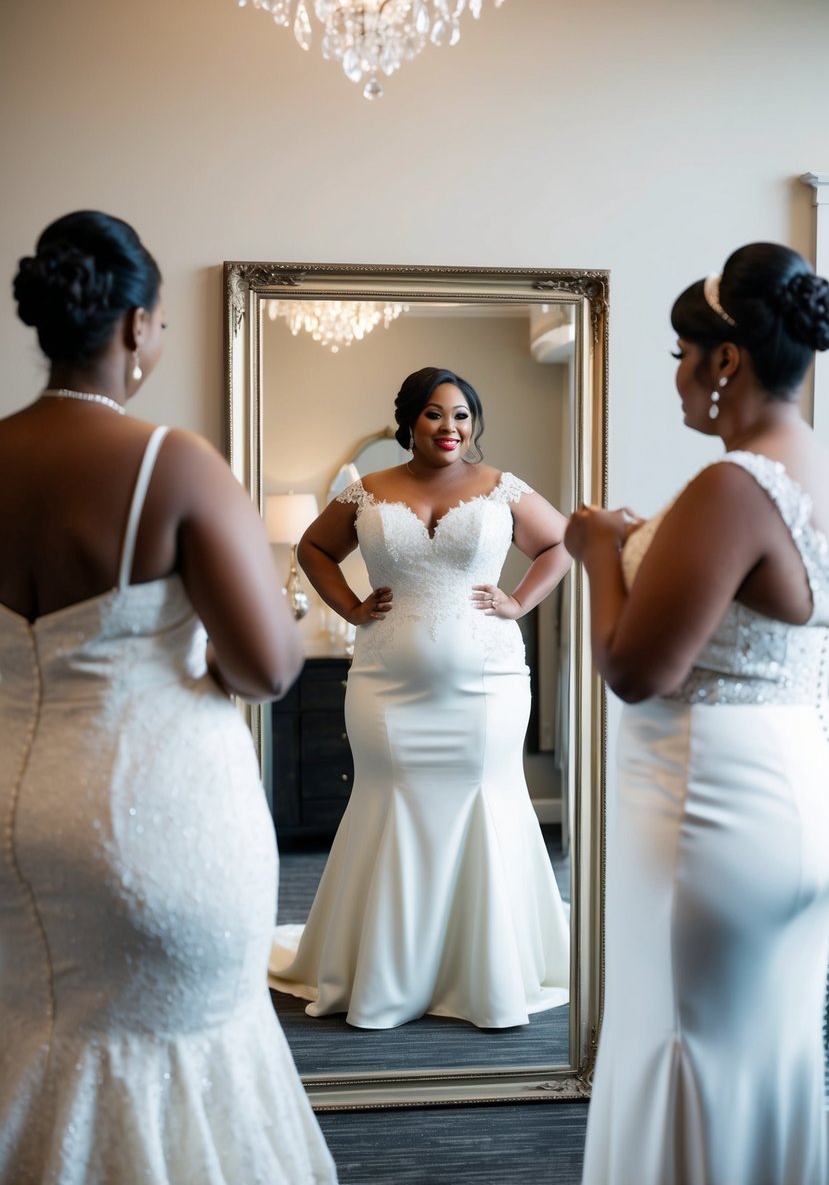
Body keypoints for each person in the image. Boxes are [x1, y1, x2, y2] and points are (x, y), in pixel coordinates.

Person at [0, 211, 337, 1184]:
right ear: (138, 325)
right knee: (176, 1068)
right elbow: (271, 668)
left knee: (30, 1043)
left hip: (15, 829)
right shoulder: (171, 462)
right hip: (150, 825)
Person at [565, 243, 829, 1185]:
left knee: (679, 1041)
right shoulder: (808, 472)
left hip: (702, 802)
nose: (675, 373)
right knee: (762, 1050)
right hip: (789, 785)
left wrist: (598, 551)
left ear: (726, 360)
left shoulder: (732, 485)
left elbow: (636, 669)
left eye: (681, 351)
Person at [269, 366, 572, 1029]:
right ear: (409, 421)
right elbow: (314, 549)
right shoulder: (366, 492)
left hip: (487, 683)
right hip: (385, 684)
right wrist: (349, 605)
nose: (449, 428)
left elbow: (559, 545)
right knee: (388, 802)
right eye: (435, 415)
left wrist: (519, 599)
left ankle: (484, 968)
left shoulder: (502, 490)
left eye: (461, 415)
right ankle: (388, 968)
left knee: (484, 800)